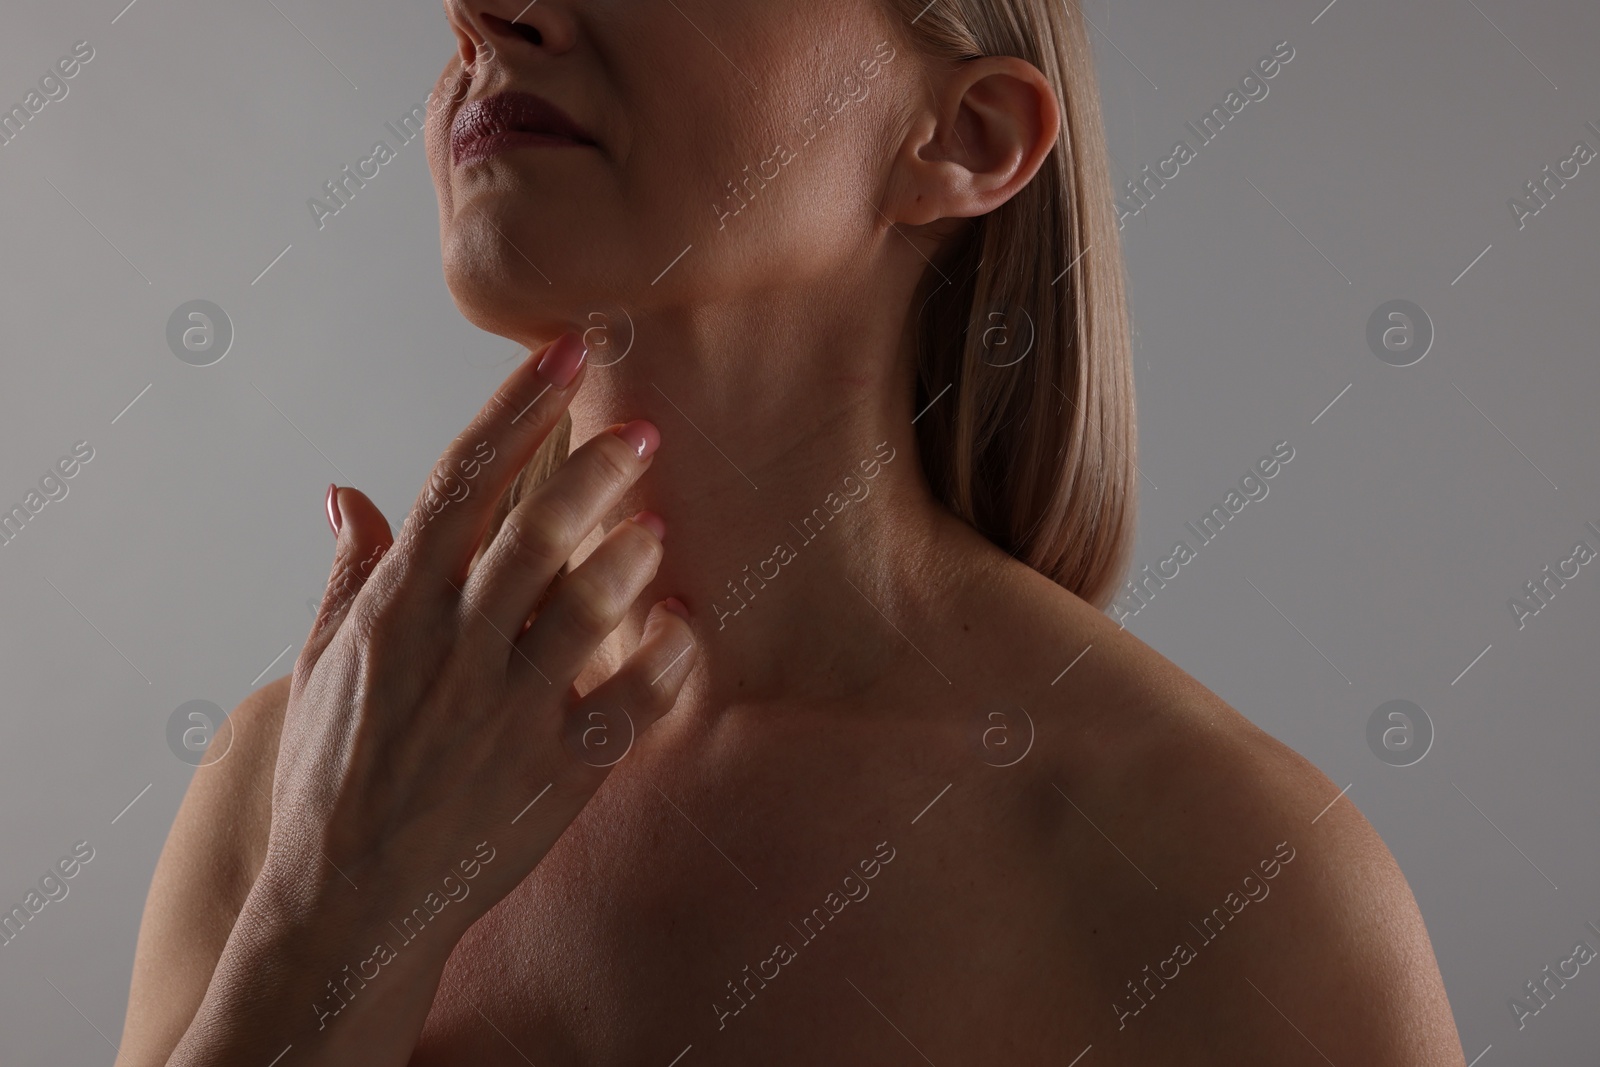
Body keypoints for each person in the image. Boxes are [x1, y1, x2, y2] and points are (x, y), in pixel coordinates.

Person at [115, 0, 1467, 1063]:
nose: (483, 13)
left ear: (966, 138)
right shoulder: (288, 791)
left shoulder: (1224, 878)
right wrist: (335, 913)